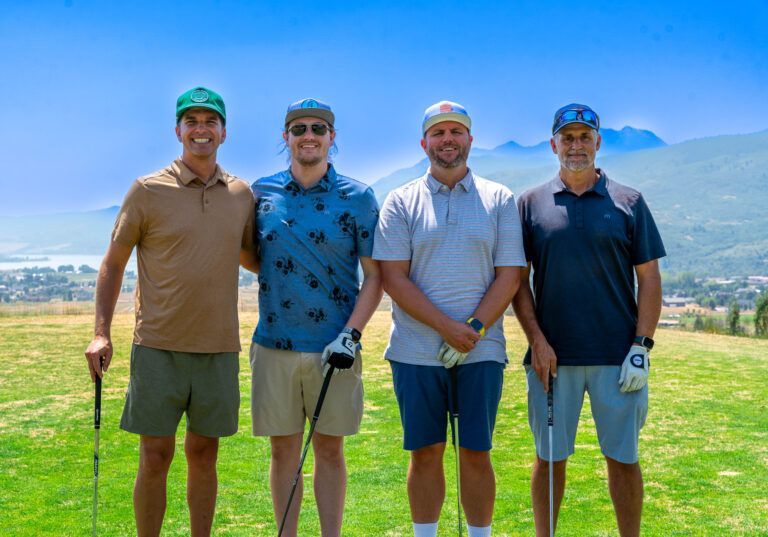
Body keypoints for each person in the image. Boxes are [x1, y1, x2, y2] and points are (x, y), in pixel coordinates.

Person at [83, 86, 257, 537]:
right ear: (177, 129)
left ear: (224, 131)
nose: (201, 129)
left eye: (210, 121)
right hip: (157, 347)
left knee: (204, 454)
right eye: (192, 121)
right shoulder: (146, 190)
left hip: (219, 348)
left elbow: (255, 259)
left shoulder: (241, 195)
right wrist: (101, 332)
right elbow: (112, 264)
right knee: (155, 455)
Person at [512, 103, 665, 537]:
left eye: (584, 137)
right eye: (567, 137)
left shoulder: (630, 201)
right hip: (551, 358)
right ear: (553, 144)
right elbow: (518, 283)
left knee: (624, 458)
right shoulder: (530, 204)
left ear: (598, 143)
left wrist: (642, 346)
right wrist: (537, 342)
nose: (575, 145)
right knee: (549, 459)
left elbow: (649, 279)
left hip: (617, 358)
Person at [373, 101, 526, 537]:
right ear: (424, 143)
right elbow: (393, 278)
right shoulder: (400, 200)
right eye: (438, 133)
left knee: (476, 452)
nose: (447, 140)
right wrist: (448, 328)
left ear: (470, 141)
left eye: (456, 132)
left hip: (482, 350)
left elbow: (510, 275)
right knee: (425, 451)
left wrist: (473, 330)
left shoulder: (499, 199)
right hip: (415, 352)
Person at [249, 98, 382, 537]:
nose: (309, 136)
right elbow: (253, 256)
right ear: (284, 137)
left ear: (332, 137)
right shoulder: (259, 193)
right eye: (300, 128)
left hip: (334, 349)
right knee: (283, 454)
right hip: (274, 344)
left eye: (319, 129)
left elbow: (375, 275)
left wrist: (352, 334)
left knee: (329, 452)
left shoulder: (358, 197)